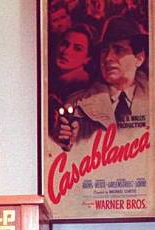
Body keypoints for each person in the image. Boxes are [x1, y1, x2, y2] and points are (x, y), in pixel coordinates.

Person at [54, 15, 148, 150]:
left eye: (118, 49)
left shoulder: (150, 101)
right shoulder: (76, 104)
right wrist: (66, 144)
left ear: (139, 58)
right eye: (104, 50)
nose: (108, 58)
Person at [52, 23, 96, 96]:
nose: (66, 51)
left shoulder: (81, 87)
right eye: (64, 44)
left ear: (87, 58)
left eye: (77, 49)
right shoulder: (58, 80)